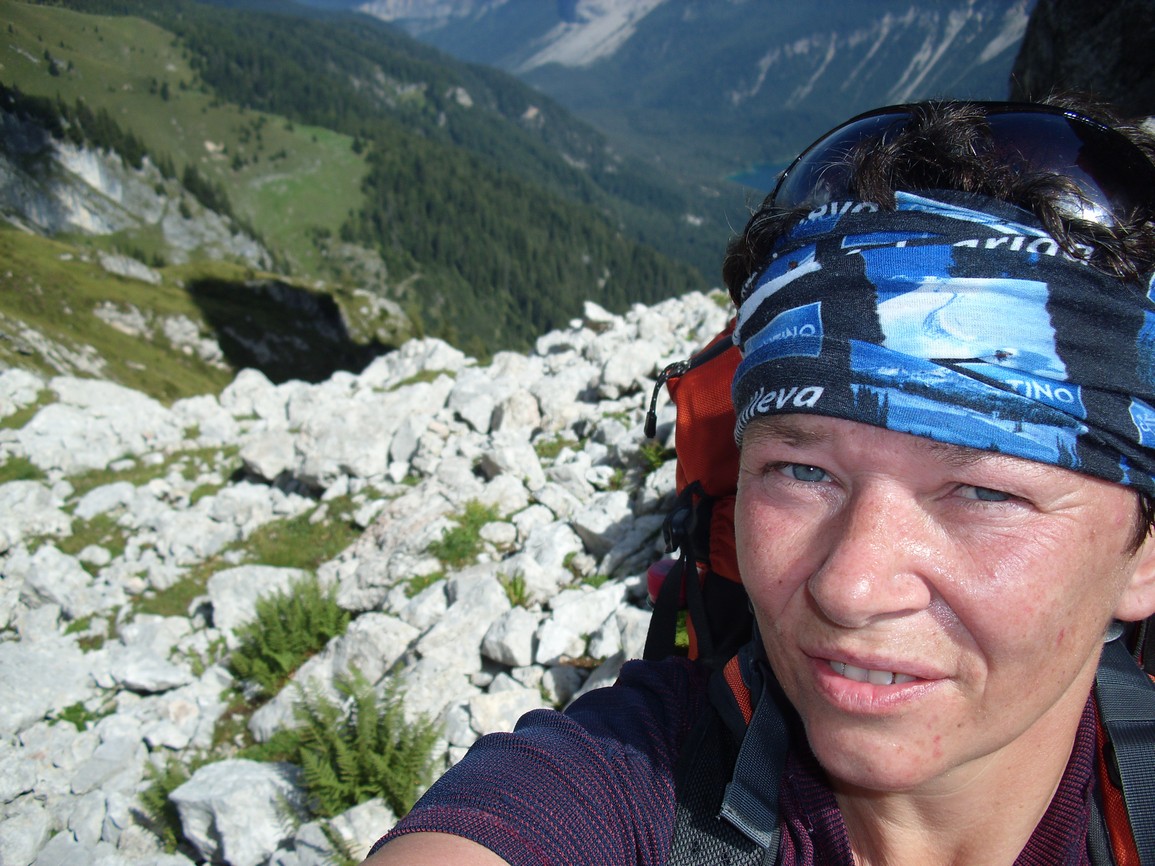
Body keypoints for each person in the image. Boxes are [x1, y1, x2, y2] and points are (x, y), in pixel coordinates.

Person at [364, 97, 1155, 866]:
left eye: (985, 492)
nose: (849, 587)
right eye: (800, 470)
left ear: (1143, 554)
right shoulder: (624, 779)